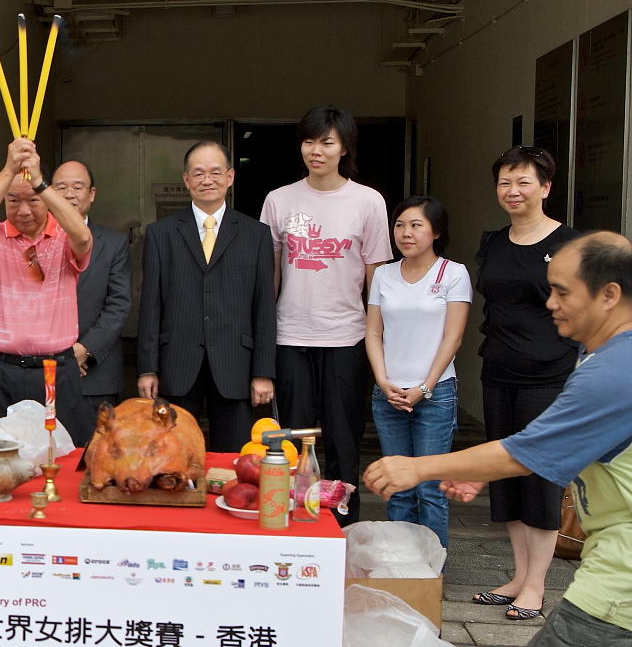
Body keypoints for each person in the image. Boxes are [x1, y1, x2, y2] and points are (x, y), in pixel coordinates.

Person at [365, 232, 632, 647]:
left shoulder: (614, 369)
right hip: (613, 549)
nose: (550, 304)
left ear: (609, 295)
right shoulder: (606, 356)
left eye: (562, 291)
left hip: (621, 567)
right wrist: (483, 471)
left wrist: (418, 468)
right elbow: (549, 447)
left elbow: (525, 451)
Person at [260, 105, 392, 523]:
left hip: (347, 337)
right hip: (290, 336)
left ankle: (342, 528)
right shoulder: (279, 200)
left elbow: (376, 279)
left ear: (344, 148)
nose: (316, 151)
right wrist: (262, 336)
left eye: (326, 142)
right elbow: (270, 275)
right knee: (293, 437)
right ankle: (295, 523)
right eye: (309, 141)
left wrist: (378, 338)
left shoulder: (368, 201)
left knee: (343, 438)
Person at [470, 147, 582, 619]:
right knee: (506, 475)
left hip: (549, 375)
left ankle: (536, 585)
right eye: (504, 182)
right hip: (498, 370)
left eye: (523, 182)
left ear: (546, 187)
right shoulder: (493, 242)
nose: (512, 191)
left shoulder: (571, 244)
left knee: (540, 476)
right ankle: (518, 575)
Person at [138, 141, 277, 452]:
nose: (207, 180)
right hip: (177, 362)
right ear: (186, 180)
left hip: (235, 363)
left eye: (215, 172)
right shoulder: (161, 234)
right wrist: (148, 367)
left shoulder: (256, 235)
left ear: (230, 177)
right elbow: (150, 305)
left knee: (234, 457)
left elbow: (264, 308)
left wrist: (263, 372)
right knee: (174, 453)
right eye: (198, 173)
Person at [0, 138, 94, 445]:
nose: (23, 211)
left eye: (33, 200)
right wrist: (9, 170)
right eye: (13, 201)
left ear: (46, 198)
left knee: (61, 457)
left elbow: (83, 236)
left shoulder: (64, 238)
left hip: (56, 370)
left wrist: (39, 181)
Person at [364, 196, 469, 547]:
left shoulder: (453, 273)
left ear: (436, 232)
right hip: (389, 394)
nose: (405, 233)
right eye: (399, 225)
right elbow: (373, 332)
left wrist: (425, 387)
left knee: (430, 488)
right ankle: (402, 566)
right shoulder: (383, 274)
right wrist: (382, 381)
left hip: (435, 394)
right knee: (397, 487)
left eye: (415, 225)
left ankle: (432, 567)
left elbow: (453, 338)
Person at [54, 160, 130, 423]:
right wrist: (60, 356)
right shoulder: (34, 240)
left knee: (95, 447)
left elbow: (118, 305)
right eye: (60, 187)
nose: (69, 194)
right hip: (42, 372)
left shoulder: (114, 243)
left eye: (77, 187)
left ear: (92, 194)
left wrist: (85, 349)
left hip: (96, 376)